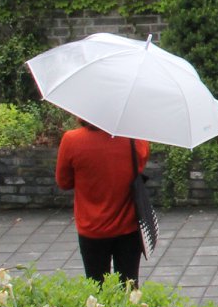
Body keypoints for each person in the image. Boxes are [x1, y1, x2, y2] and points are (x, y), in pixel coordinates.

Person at [54, 120, 151, 285]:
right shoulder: (134, 139)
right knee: (129, 287)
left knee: (96, 287)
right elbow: (140, 165)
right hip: (128, 227)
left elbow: (64, 182)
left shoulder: (71, 140)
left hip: (91, 228)